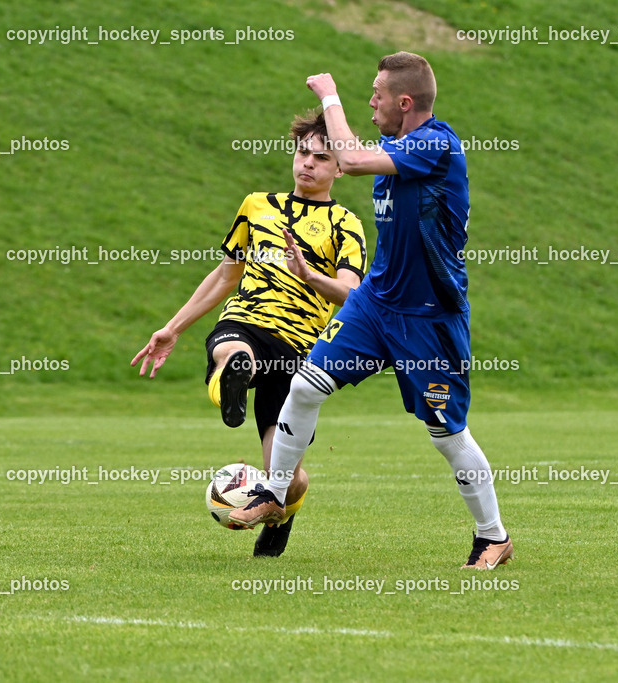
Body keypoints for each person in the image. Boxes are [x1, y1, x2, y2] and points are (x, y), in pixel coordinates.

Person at [230, 52, 514, 570]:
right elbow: (360, 157)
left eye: (377, 94)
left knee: (447, 434)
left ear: (404, 103)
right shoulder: (397, 146)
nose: (371, 102)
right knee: (304, 385)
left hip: (429, 317)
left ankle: (493, 536)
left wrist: (329, 95)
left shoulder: (436, 144)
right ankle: (273, 492)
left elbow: (352, 160)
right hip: (375, 304)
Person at [132, 109, 366, 557]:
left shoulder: (345, 224)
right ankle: (233, 376)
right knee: (233, 348)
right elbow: (225, 276)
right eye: (302, 152)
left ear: (340, 167)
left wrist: (310, 275)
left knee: (287, 475)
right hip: (248, 318)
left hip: (300, 348)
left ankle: (278, 518)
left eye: (322, 156)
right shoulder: (257, 206)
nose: (308, 163)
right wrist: (172, 328)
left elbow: (350, 295)